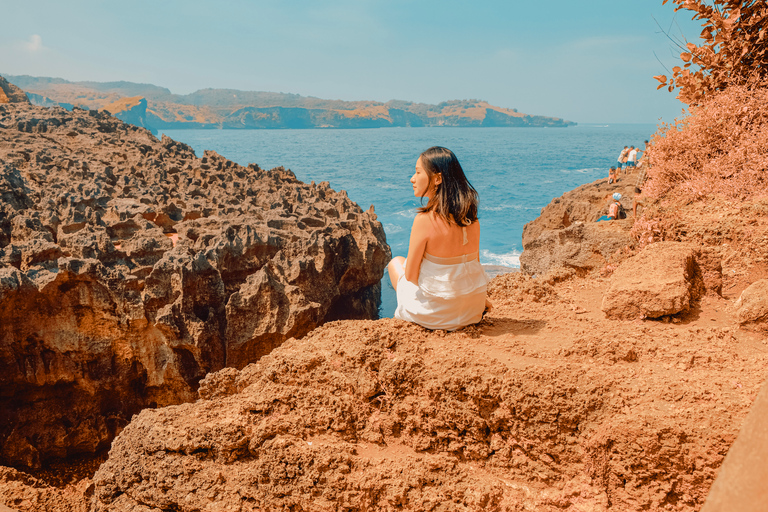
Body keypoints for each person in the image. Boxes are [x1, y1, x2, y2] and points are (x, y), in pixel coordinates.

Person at [387, 146, 489, 331]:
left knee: (396, 263)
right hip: (471, 311)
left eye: (418, 172)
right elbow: (473, 266)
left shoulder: (424, 220)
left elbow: (410, 276)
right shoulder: (472, 219)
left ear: (438, 178)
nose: (412, 178)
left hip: (437, 317)